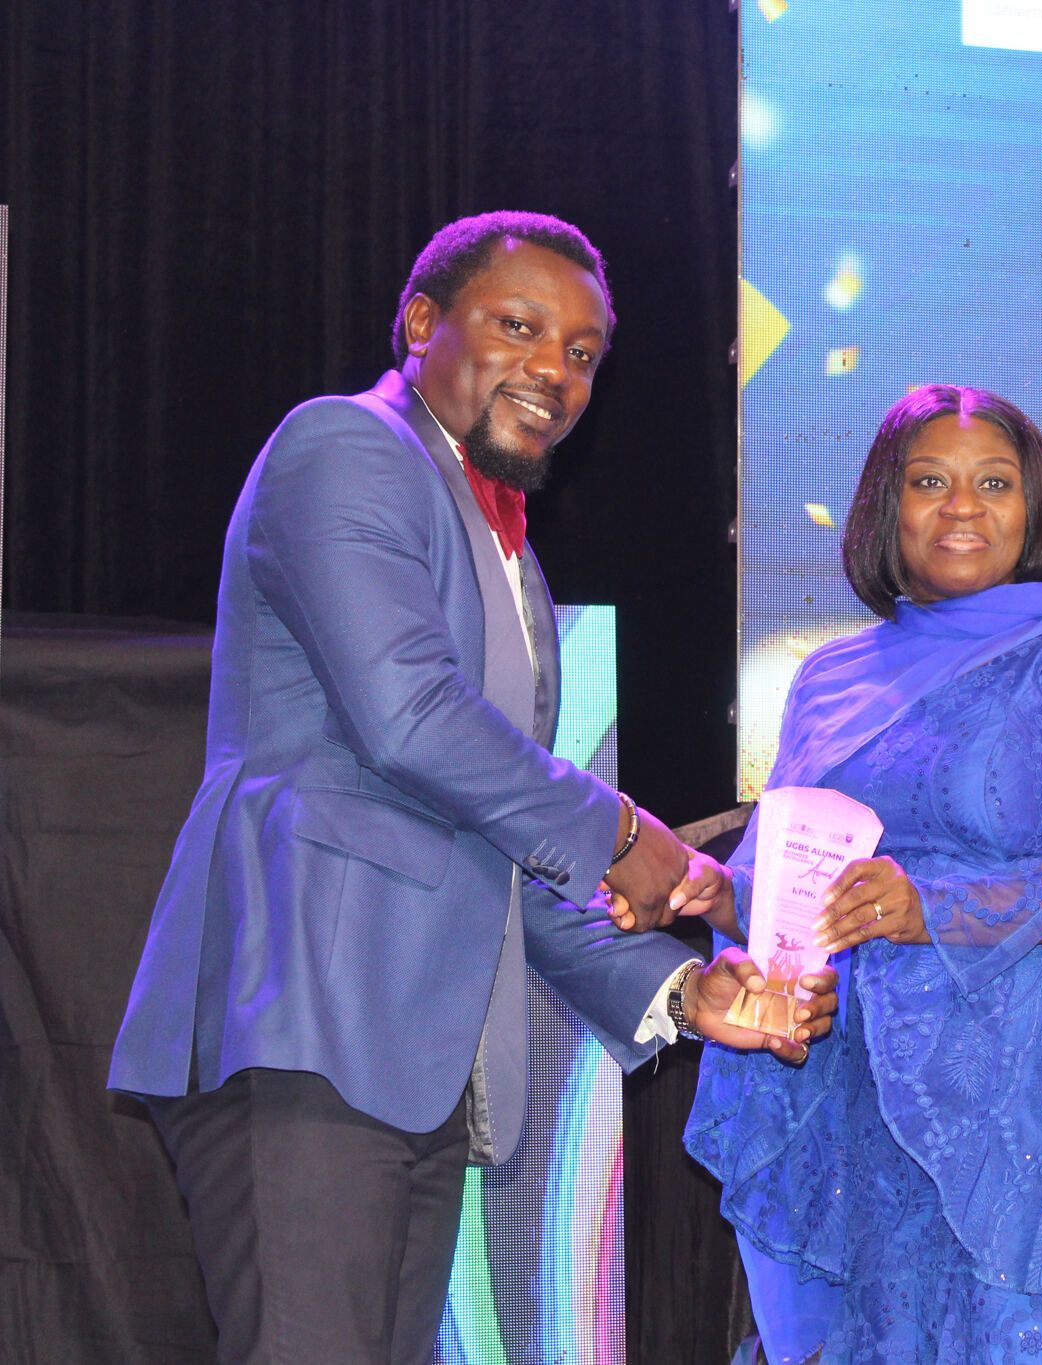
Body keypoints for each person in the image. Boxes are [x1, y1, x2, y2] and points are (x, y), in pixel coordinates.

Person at [106, 211, 834, 1364]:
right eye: (518, 326)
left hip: (413, 1064)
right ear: (419, 323)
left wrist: (680, 990)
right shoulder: (343, 446)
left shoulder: (514, 560)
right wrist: (627, 834)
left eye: (583, 352)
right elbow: (408, 719)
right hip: (301, 1014)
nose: (554, 369)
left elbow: (501, 852)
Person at [678, 384, 1042, 1364]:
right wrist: (704, 886)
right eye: (930, 482)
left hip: (1033, 1110)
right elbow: (790, 882)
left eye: (994, 483)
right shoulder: (829, 676)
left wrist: (925, 907)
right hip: (864, 1103)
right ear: (885, 506)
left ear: (1033, 508)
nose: (963, 507)